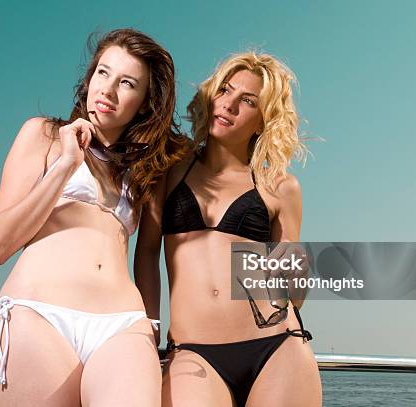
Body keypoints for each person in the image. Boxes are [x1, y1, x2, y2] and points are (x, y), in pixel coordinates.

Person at [0, 28, 190, 406]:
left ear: (145, 102)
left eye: (127, 82)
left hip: (122, 325)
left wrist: (152, 326)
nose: (108, 90)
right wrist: (65, 165)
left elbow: (148, 253)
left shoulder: (148, 171)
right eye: (103, 73)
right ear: (90, 77)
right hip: (38, 315)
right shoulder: (43, 135)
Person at [135, 51, 322, 406]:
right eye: (225, 91)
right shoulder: (171, 169)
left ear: (263, 119)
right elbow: (145, 252)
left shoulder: (280, 186)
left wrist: (297, 266)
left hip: (276, 346)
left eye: (247, 101)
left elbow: (292, 295)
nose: (229, 105)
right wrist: (149, 332)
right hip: (193, 351)